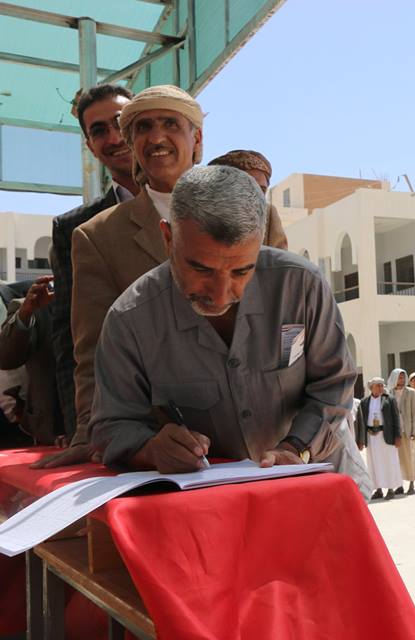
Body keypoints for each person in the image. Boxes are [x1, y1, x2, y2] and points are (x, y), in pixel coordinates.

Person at [87, 166, 370, 495]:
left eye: (241, 271)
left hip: (323, 490)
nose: (221, 294)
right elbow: (111, 425)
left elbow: (334, 384)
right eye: (201, 269)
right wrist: (149, 449)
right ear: (168, 238)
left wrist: (296, 448)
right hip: (218, 505)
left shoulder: (302, 287)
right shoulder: (129, 321)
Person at [66, 85, 289, 469]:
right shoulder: (98, 237)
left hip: (267, 443)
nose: (156, 138)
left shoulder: (259, 213)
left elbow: (286, 315)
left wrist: (299, 429)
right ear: (131, 143)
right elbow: (92, 351)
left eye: (170, 124)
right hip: (171, 448)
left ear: (196, 139)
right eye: (143, 128)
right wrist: (93, 435)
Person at [43, 84, 138, 467]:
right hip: (129, 422)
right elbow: (72, 337)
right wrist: (82, 429)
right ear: (89, 145)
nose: (114, 138)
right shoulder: (76, 229)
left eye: (121, 123)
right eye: (99, 131)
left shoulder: (203, 202)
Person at [0, 276, 63, 445]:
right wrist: (25, 314)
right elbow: (6, 358)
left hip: (94, 426)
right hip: (39, 434)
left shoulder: (106, 301)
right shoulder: (27, 302)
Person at [207, 149, 288, 250]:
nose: (256, 196)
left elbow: (279, 255)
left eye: (262, 190)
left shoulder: (268, 213)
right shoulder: (199, 213)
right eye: (248, 187)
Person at [356, 378, 403, 500]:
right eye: (378, 386)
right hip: (371, 436)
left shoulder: (389, 399)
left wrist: (398, 436)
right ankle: (378, 489)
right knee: (374, 463)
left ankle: (391, 488)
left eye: (382, 385)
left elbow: (396, 418)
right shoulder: (364, 402)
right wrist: (361, 440)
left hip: (385, 435)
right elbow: (361, 422)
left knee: (388, 462)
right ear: (372, 388)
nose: (381, 388)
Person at [387, 368, 415, 495]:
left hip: (407, 430)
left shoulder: (411, 392)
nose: (401, 380)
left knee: (409, 457)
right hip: (394, 432)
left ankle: (411, 484)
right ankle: (399, 485)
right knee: (396, 460)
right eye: (399, 377)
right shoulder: (389, 393)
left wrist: (414, 431)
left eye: (403, 377)